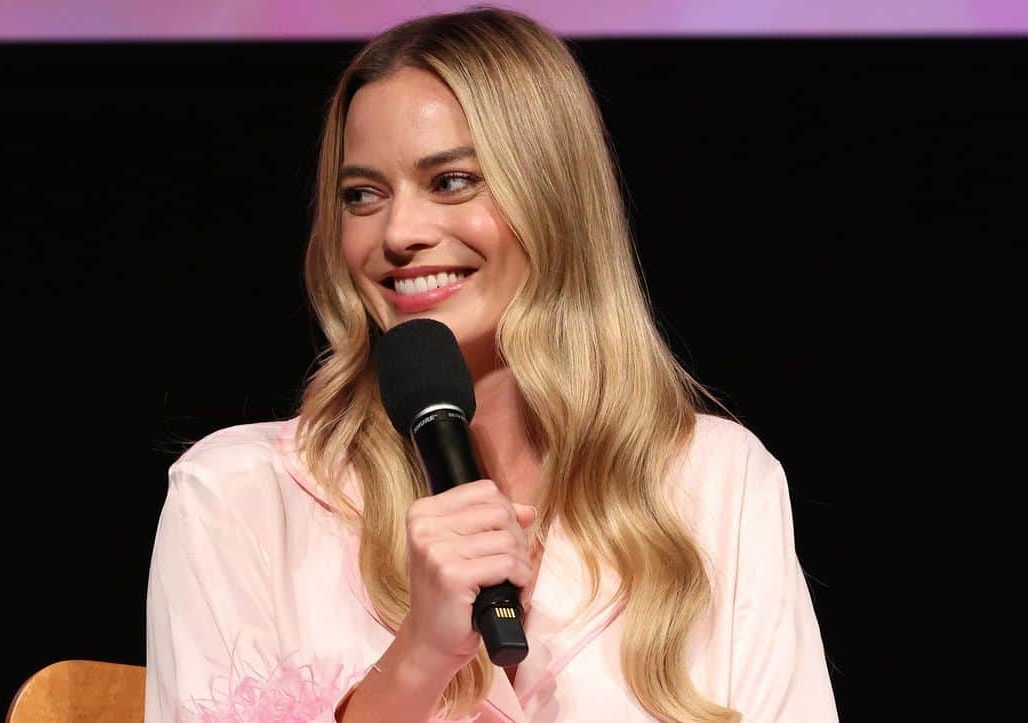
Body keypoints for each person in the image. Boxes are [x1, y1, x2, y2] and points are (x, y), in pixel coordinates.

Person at [144, 7, 838, 722]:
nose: (399, 233)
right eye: (363, 196)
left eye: (451, 182)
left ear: (553, 198)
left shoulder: (714, 484)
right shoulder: (236, 498)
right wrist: (416, 659)